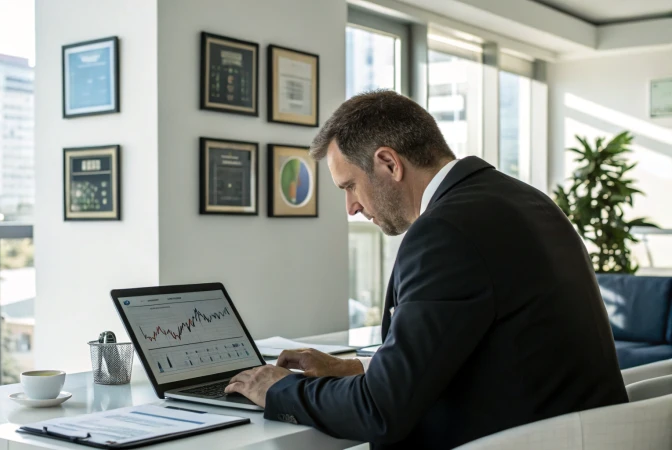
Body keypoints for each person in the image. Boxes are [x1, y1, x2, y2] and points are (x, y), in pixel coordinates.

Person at [224, 90, 628, 449]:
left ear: (388, 163)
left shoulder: (445, 232)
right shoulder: (524, 200)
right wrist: (354, 367)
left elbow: (381, 412)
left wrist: (279, 389)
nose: (351, 207)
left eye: (349, 186)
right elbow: (478, 350)